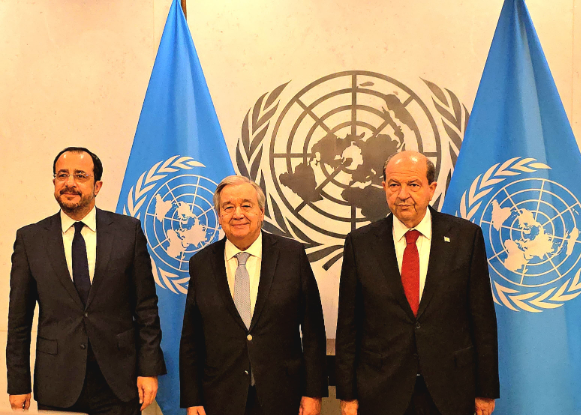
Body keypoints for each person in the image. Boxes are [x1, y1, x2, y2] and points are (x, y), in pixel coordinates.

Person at [335, 151, 499, 415]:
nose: (403, 194)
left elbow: (482, 320)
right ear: (384, 187)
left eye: (413, 185)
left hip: (451, 389)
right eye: (394, 185)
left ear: (431, 189)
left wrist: (486, 389)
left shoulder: (466, 238)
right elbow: (349, 325)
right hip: (381, 390)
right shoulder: (360, 243)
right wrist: (347, 393)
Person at [7, 147, 166, 414]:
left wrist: (148, 369)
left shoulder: (128, 232)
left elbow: (146, 309)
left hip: (119, 380)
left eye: (80, 175)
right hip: (57, 381)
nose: (70, 183)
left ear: (97, 186)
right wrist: (18, 382)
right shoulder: (30, 239)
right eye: (62, 175)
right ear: (54, 182)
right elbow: (19, 321)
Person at [179, 175, 328, 415]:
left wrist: (313, 392)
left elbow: (313, 331)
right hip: (220, 398)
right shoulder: (201, 264)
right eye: (228, 207)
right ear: (219, 216)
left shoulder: (292, 255)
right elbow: (191, 338)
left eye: (246, 205)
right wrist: (192, 399)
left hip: (283, 396)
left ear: (261, 211)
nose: (238, 214)